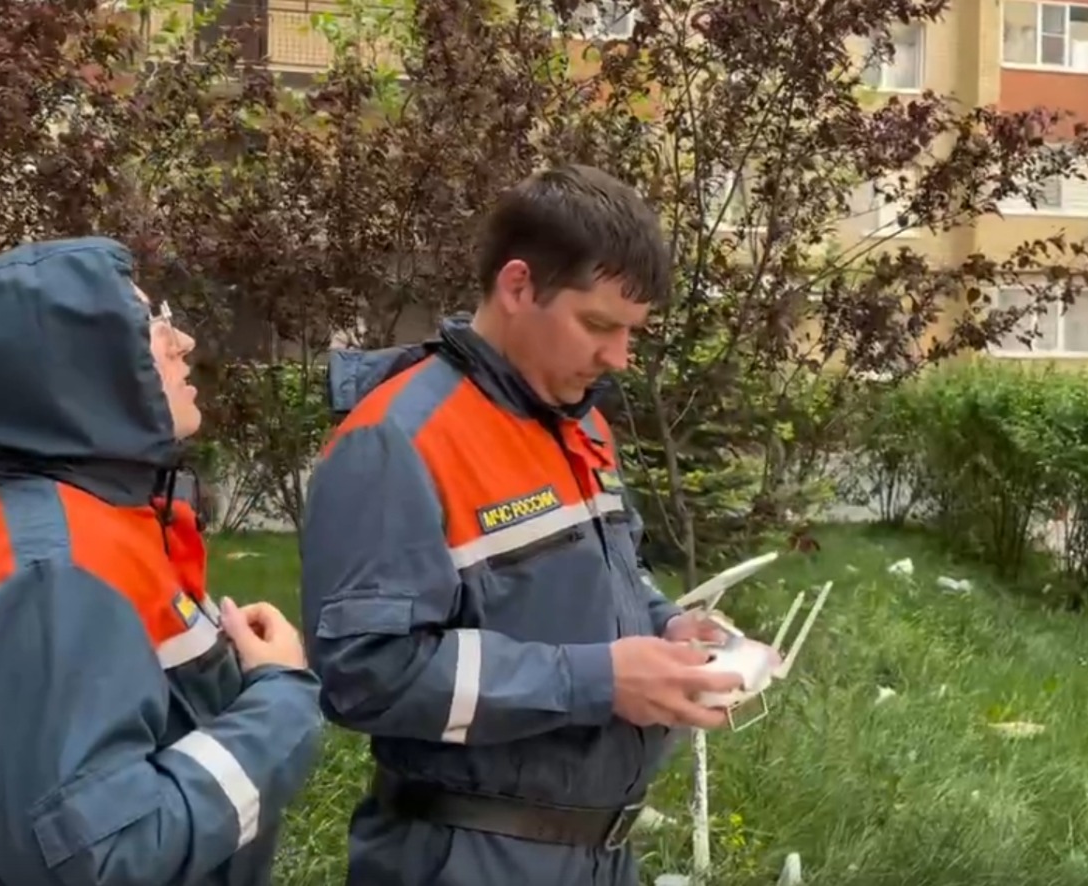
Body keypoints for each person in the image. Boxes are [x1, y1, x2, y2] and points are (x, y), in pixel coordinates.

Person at [301, 163, 758, 885]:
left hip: (600, 853)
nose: (618, 358)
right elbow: (364, 675)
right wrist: (600, 680)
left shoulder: (582, 423)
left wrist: (668, 626)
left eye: (631, 332)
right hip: (467, 856)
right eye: (598, 325)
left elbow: (612, 577)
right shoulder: (396, 439)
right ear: (518, 287)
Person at [0, 237, 325, 886]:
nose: (182, 343)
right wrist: (280, 700)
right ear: (76, 371)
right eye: (151, 324)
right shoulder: (54, 578)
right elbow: (105, 859)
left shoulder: (86, 525)